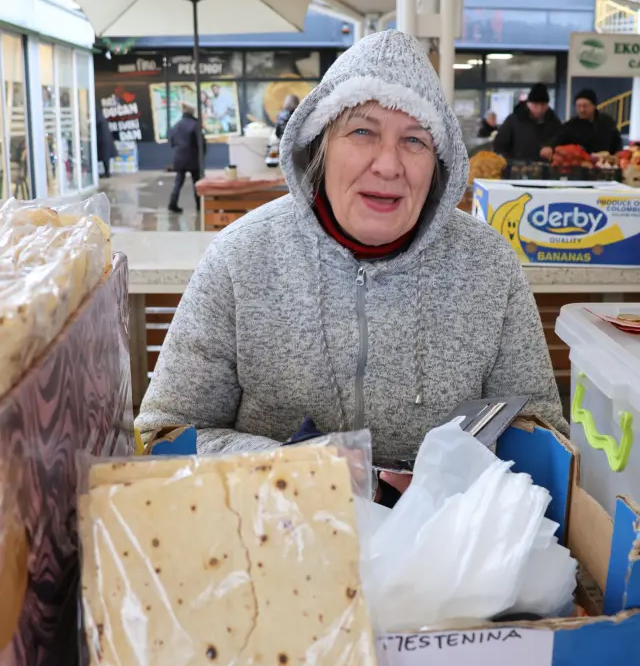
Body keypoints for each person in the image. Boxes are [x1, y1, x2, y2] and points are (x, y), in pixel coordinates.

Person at [138, 31, 566, 492]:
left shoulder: (490, 267)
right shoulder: (240, 257)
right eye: (363, 132)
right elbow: (165, 436)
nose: (388, 165)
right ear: (319, 145)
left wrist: (447, 489)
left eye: (415, 140)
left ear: (438, 164)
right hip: (272, 528)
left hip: (444, 532)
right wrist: (315, 472)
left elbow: (540, 443)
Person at [494, 84, 562, 161]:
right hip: (517, 165)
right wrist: (509, 162)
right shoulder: (513, 120)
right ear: (528, 104)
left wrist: (551, 146)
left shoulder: (553, 121)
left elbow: (560, 139)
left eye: (543, 105)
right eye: (535, 105)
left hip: (546, 166)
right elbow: (499, 145)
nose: (539, 109)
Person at [550, 88, 621, 156]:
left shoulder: (607, 122)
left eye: (585, 106)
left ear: (594, 106)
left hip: (607, 162)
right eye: (578, 106)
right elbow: (557, 140)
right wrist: (550, 147)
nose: (582, 110)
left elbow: (617, 143)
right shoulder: (570, 126)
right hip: (580, 163)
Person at [168, 102, 206, 214]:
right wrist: (202, 154)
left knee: (178, 181)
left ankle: (172, 203)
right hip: (193, 157)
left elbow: (172, 141)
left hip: (179, 157)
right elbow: (201, 142)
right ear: (192, 112)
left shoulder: (177, 125)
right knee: (197, 182)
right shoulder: (195, 124)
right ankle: (199, 205)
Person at [96, 107, 116, 179]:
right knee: (105, 157)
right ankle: (107, 172)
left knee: (104, 157)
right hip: (105, 139)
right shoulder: (101, 117)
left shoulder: (97, 117)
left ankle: (106, 173)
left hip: (103, 140)